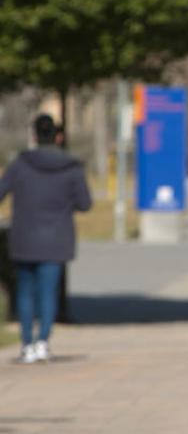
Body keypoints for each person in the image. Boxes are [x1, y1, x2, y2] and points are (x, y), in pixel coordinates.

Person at [0, 114, 92, 363]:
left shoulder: (20, 163)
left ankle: (27, 344)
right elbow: (84, 204)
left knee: (25, 292)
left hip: (23, 237)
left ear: (33, 136)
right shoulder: (71, 167)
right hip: (56, 237)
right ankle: (43, 342)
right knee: (48, 292)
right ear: (58, 136)